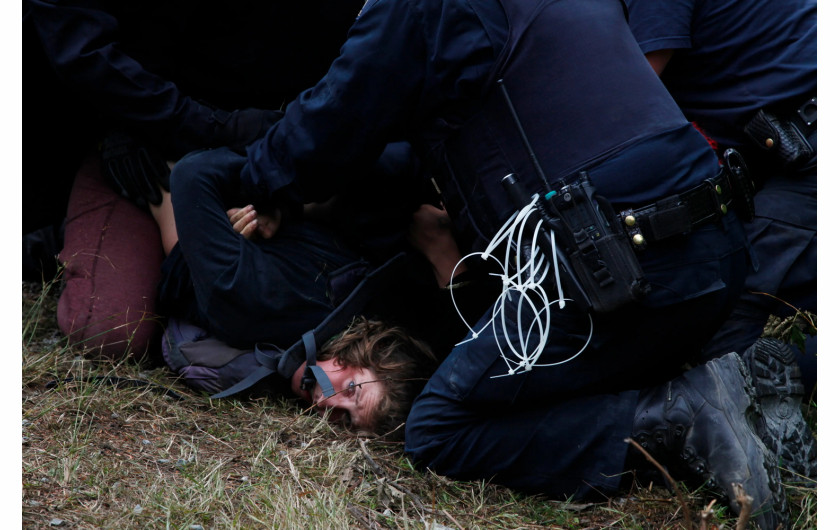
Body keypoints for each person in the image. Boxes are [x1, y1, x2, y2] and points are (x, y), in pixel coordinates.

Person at [176, 0, 803, 526]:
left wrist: (266, 182)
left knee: (438, 428)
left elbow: (326, 128)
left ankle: (679, 417)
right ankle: (751, 383)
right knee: (714, 367)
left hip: (611, 267)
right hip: (714, 249)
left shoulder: (417, 9)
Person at [24, 0, 366, 360]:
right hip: (145, 143)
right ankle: (63, 238)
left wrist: (279, 175)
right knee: (111, 331)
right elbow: (81, 52)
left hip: (274, 147)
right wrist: (132, 126)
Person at [624, 0, 817, 479]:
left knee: (719, 314)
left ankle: (772, 397)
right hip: (794, 147)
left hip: (811, 160)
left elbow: (624, 104)